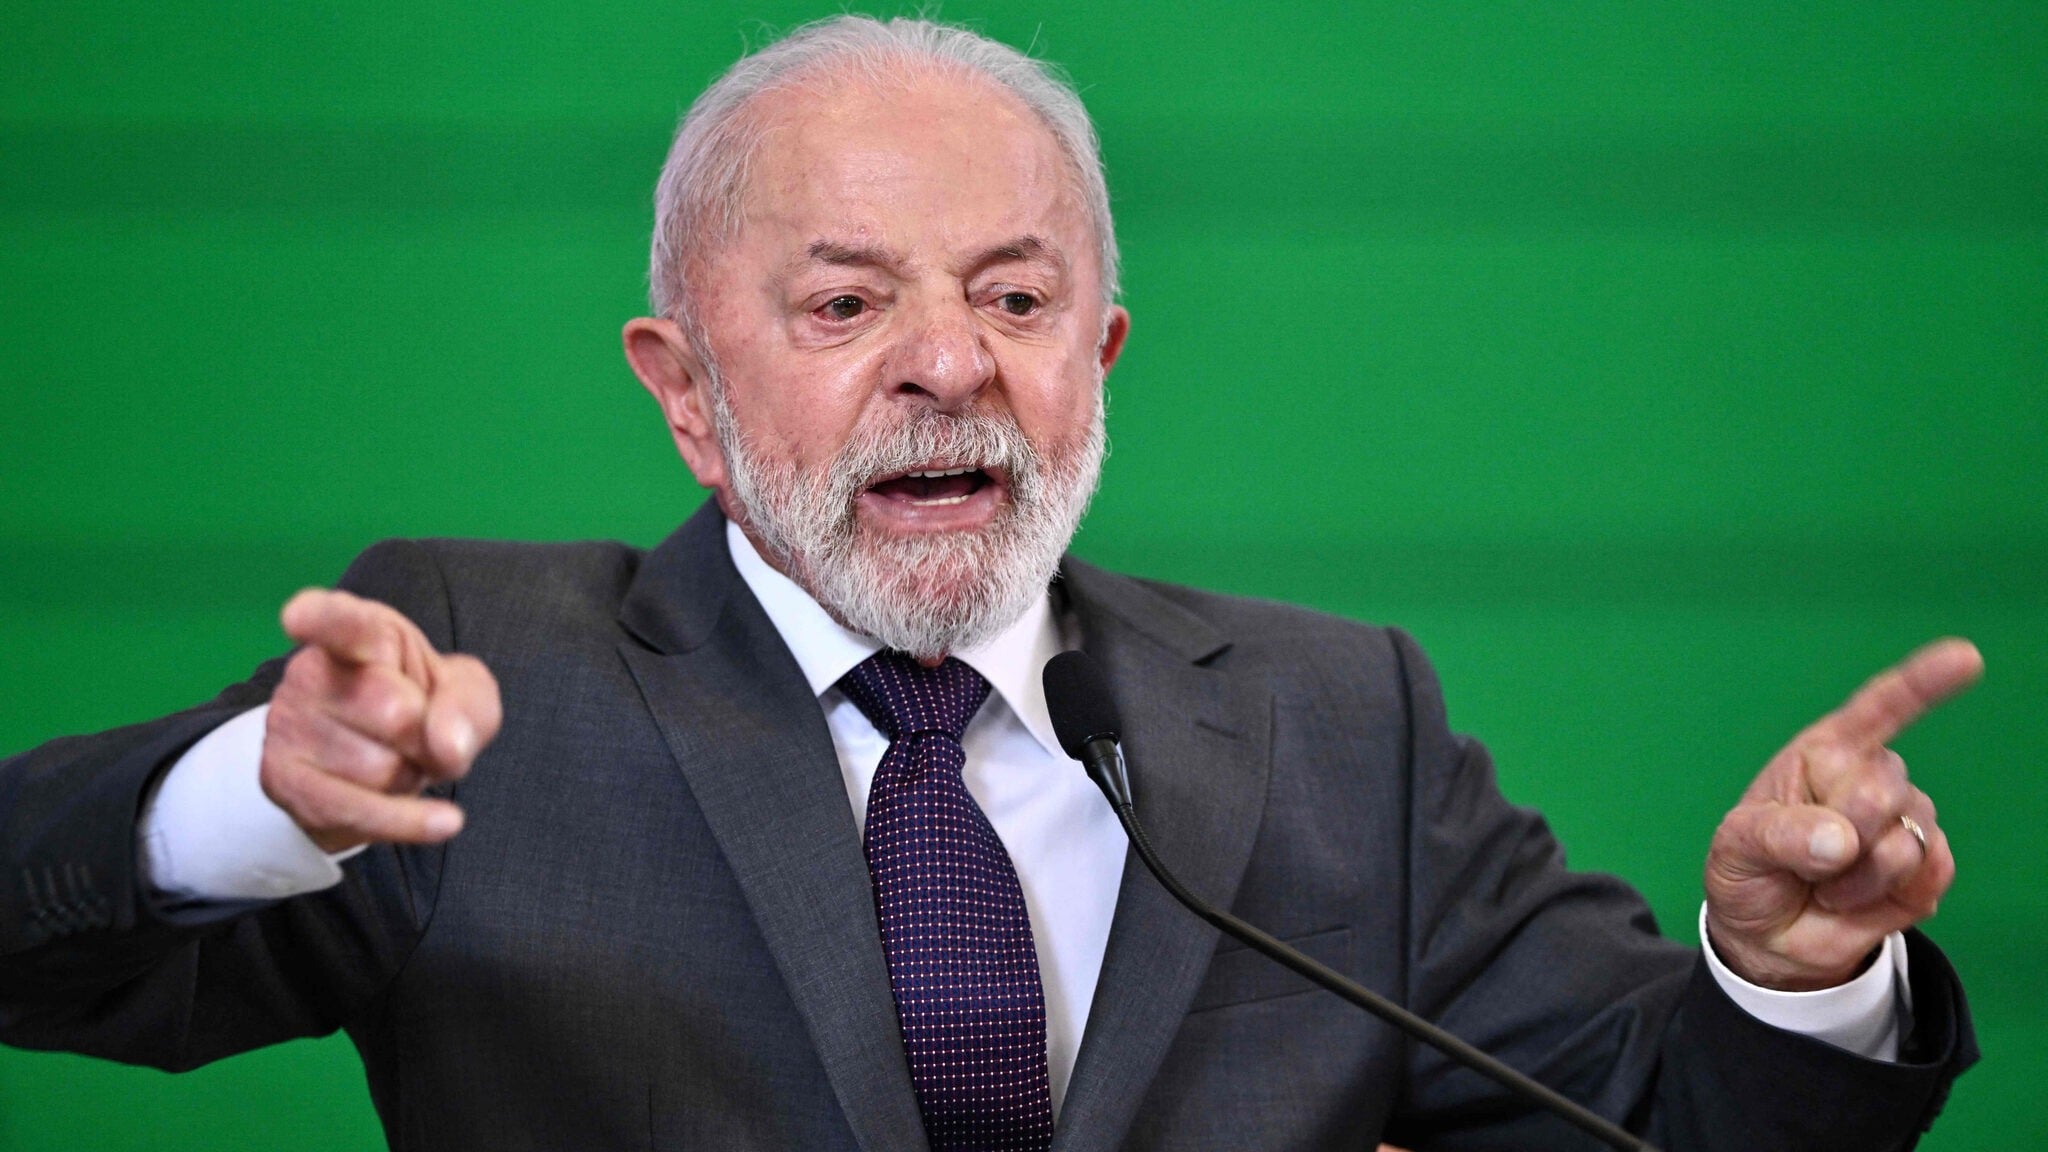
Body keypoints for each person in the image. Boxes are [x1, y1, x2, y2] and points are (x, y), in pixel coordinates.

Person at [0, 15, 1978, 1151]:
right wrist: (261, 797)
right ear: (685, 393)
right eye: (845, 302)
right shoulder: (480, 681)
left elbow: (1673, 1121)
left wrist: (1794, 980)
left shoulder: (1332, 724)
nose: (949, 362)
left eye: (1016, 299)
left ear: (1097, 357)